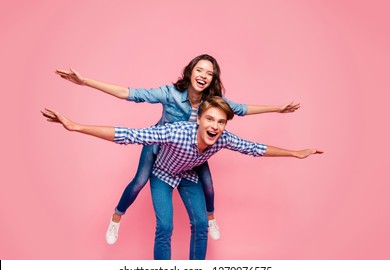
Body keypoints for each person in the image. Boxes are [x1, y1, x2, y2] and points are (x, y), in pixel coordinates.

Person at [55, 54, 301, 244]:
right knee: (140, 181)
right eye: (200, 69)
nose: (204, 75)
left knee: (208, 185)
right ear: (191, 72)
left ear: (213, 79)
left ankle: (211, 219)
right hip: (160, 140)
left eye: (210, 73)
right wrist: (85, 82)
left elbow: (243, 110)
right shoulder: (170, 93)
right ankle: (116, 217)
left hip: (192, 150)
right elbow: (128, 94)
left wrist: (278, 109)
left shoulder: (213, 105)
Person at [41, 96, 322, 260]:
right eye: (210, 119)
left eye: (220, 122)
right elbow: (130, 134)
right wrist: (76, 126)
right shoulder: (176, 131)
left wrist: (295, 153)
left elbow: (255, 148)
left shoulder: (223, 138)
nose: (215, 126)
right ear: (199, 119)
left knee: (200, 224)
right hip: (162, 174)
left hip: (188, 175)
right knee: (165, 227)